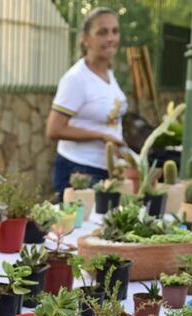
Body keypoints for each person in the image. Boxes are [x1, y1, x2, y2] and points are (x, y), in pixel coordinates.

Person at [46, 8, 127, 198]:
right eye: (102, 32)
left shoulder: (108, 74)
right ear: (85, 39)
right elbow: (54, 129)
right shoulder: (76, 79)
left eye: (115, 31)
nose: (111, 38)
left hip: (106, 170)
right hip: (79, 171)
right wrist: (101, 136)